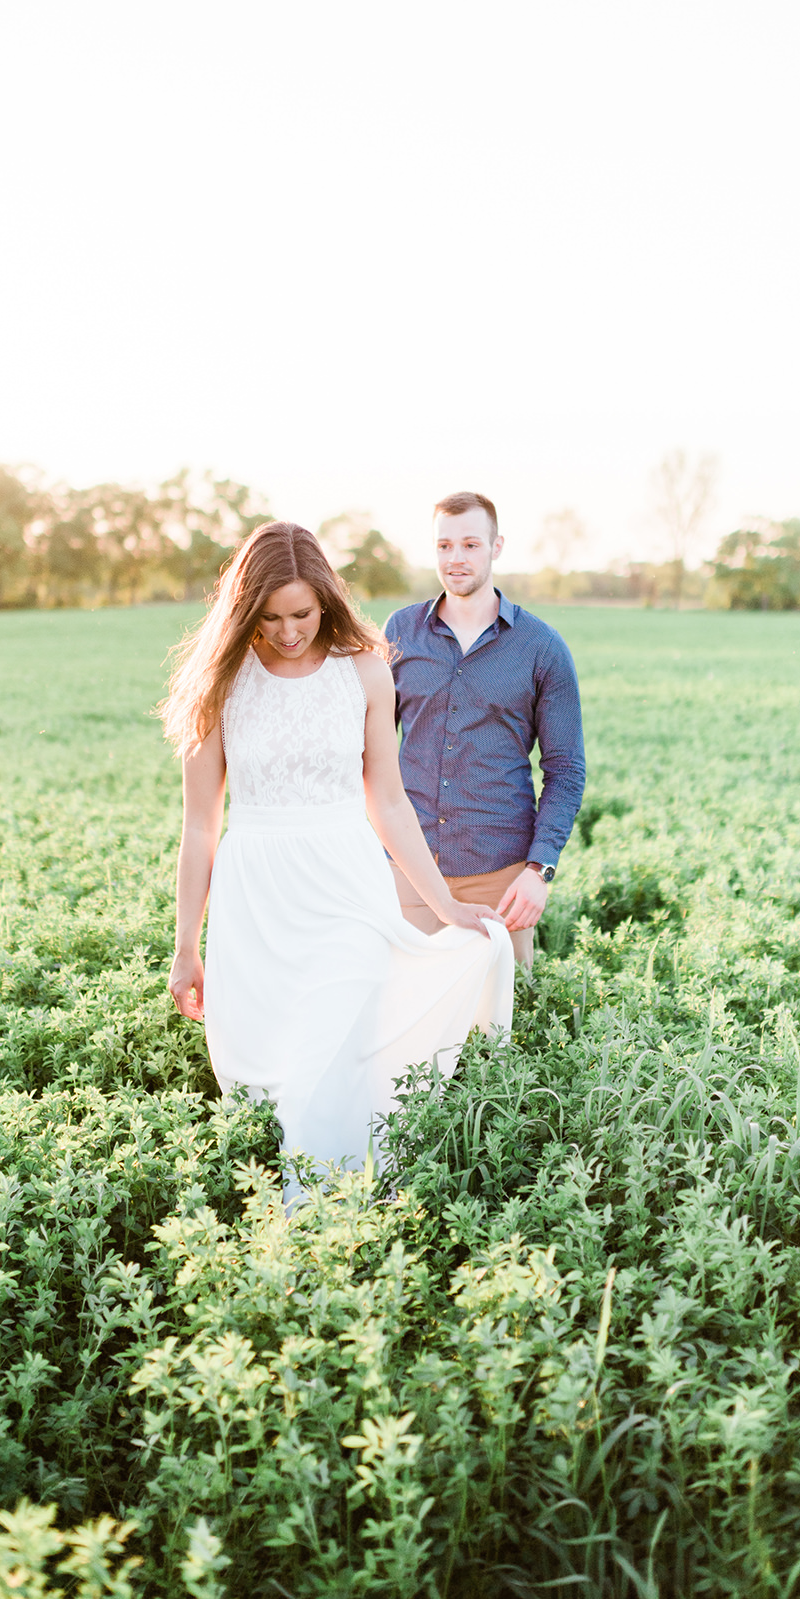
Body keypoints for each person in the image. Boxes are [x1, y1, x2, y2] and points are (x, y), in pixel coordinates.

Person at [160, 520, 513, 1185]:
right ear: (243, 612)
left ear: (325, 600)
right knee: (286, 1078)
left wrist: (443, 904)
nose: (287, 631)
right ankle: (331, 1225)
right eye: (267, 618)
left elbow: (389, 803)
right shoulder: (221, 683)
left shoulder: (365, 673)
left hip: (348, 888)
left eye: (301, 613)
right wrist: (186, 945)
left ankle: (323, 1221)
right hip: (258, 901)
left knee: (331, 1053)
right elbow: (200, 827)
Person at [384, 490, 586, 970]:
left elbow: (566, 769)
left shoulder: (542, 648)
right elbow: (365, 751)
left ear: (496, 547)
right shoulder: (399, 632)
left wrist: (539, 869)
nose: (456, 558)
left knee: (501, 1025)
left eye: (471, 545)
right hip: (408, 870)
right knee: (405, 1012)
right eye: (444, 545)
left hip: (502, 874)